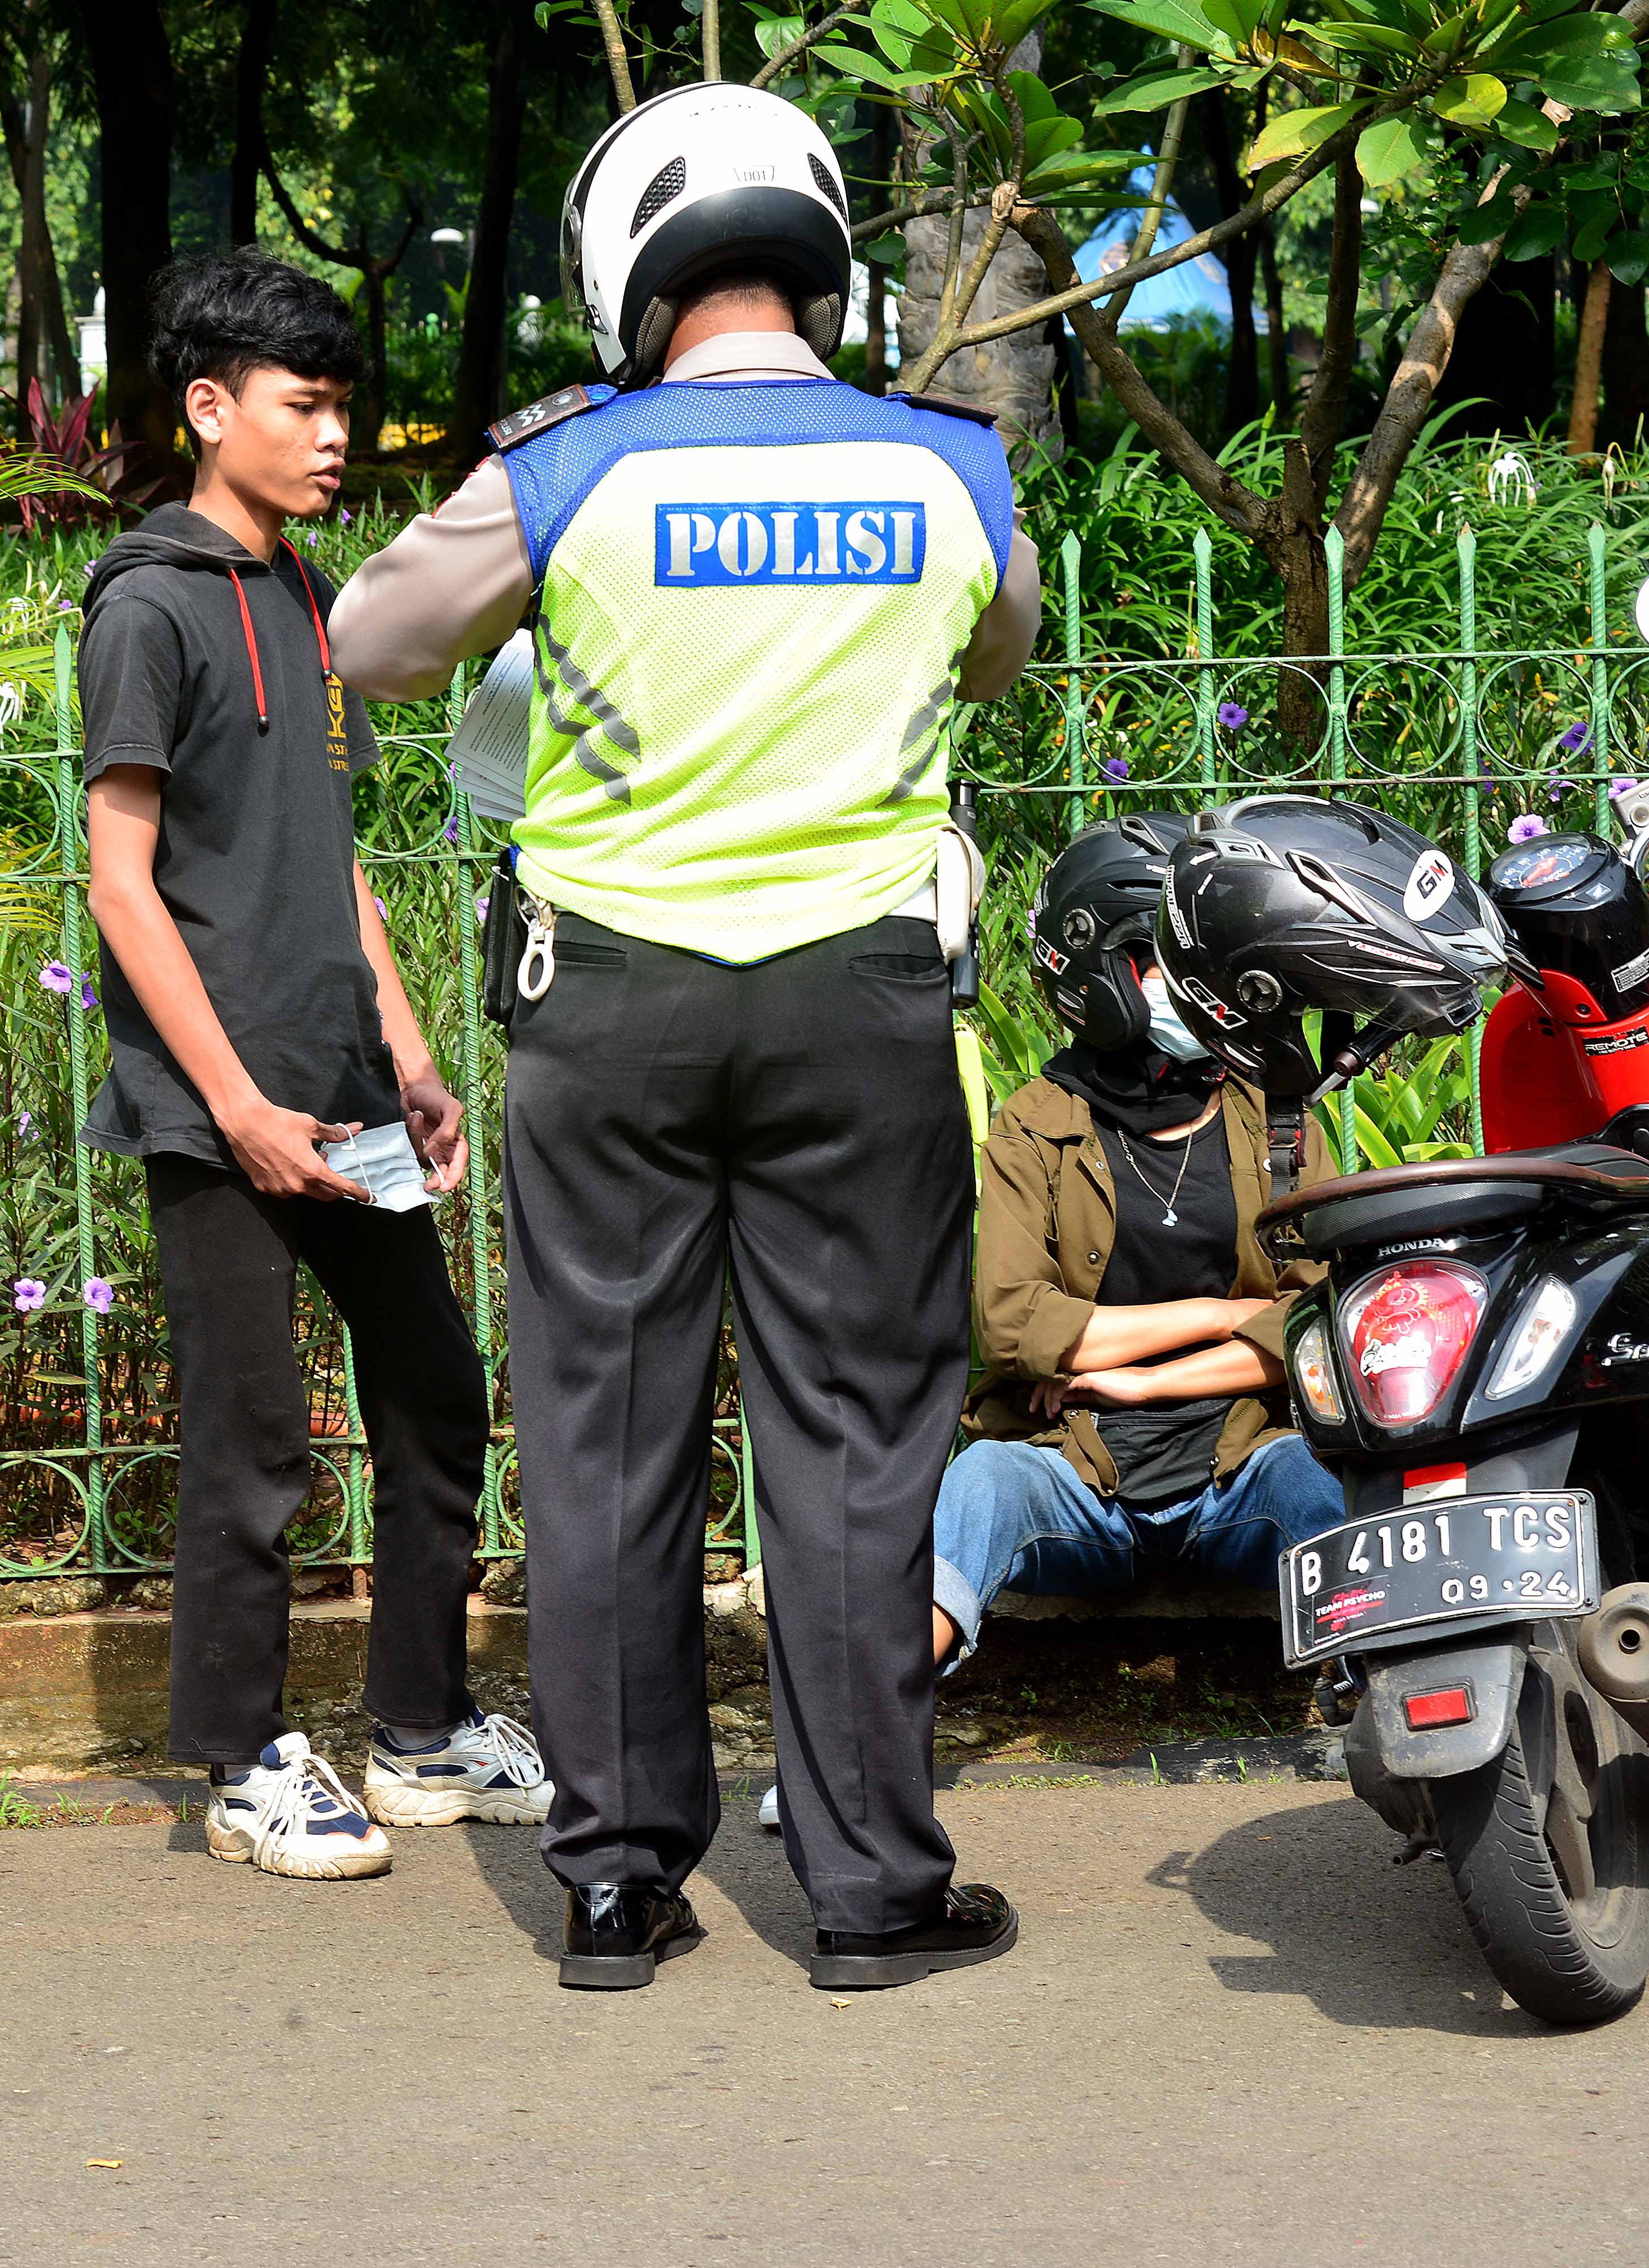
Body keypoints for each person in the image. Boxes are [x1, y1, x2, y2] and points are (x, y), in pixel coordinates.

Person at [329, 80, 1042, 1989]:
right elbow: (999, 651)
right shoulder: (947, 467)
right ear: (814, 241)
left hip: (610, 1006)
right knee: (851, 1444)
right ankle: (875, 1893)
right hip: (862, 1004)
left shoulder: (570, 469)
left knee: (605, 1431)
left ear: (623, 259)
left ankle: (617, 1884)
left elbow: (369, 641)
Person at [79, 249, 553, 1883]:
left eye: (343, 405)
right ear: (211, 410)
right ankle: (240, 1758)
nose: (335, 435)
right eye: (305, 406)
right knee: (255, 1436)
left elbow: (328, 853)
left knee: (434, 1395)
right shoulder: (146, 606)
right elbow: (118, 880)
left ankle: (419, 1731)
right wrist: (230, 1105)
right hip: (218, 1112)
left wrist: (407, 1046)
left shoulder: (300, 594)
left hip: (341, 1092)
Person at [753, 817, 1345, 1832]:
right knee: (980, 1484)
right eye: (1160, 962)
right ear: (1100, 972)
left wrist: (1134, 1375)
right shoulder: (1038, 1120)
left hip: (1237, 1466)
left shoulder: (1272, 1111)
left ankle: (1384, 1706)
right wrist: (1223, 1314)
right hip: (1080, 1475)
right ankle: (848, 1754)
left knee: (1327, 1483)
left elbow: (1321, 1311)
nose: (1185, 988)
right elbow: (1018, 1325)